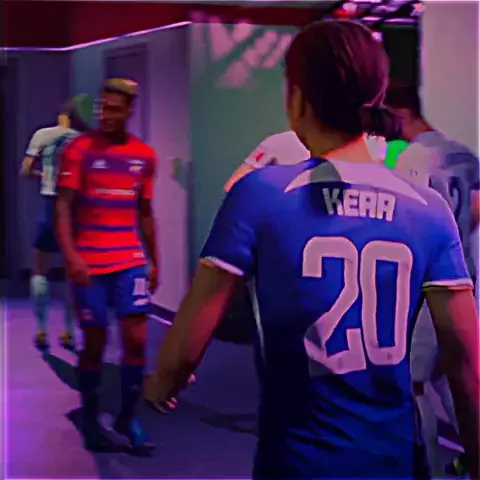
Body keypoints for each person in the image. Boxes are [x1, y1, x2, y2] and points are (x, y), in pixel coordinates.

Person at [145, 20, 479, 479]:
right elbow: (466, 363)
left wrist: (163, 384)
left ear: (298, 99)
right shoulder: (429, 209)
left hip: (298, 464)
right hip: (394, 461)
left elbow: (188, 341)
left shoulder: (259, 193)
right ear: (377, 96)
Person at [55, 78, 159, 454]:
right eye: (102, 108)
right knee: (95, 341)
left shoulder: (144, 155)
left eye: (115, 109)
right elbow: (63, 206)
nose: (106, 115)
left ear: (130, 111)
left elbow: (145, 211)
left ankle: (127, 418)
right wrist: (71, 256)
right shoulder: (79, 150)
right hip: (90, 263)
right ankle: (90, 417)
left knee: (137, 339)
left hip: (129, 260)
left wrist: (155, 260)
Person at [386, 84, 480, 477]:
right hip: (462, 276)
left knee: (415, 383)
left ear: (401, 113)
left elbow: (403, 220)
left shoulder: (411, 158)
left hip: (426, 285)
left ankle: (430, 473)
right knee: (452, 375)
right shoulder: (462, 152)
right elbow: (476, 207)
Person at [21, 95, 93, 350]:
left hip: (51, 204)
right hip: (77, 207)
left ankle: (41, 330)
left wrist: (44, 174)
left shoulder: (44, 134)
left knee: (40, 269)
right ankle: (69, 331)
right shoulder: (86, 140)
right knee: (74, 270)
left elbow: (26, 170)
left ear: (63, 114)